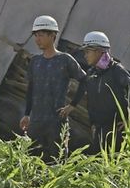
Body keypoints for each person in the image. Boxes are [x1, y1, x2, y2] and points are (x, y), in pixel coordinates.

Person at [20, 15, 86, 161]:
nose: (37, 39)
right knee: (29, 160)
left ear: (52, 35)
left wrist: (72, 105)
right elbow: (31, 89)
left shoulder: (65, 60)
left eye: (41, 35)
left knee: (57, 160)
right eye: (36, 36)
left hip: (56, 122)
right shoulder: (35, 62)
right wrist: (26, 114)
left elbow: (84, 80)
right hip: (36, 120)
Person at [63, 31, 130, 152]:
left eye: (87, 52)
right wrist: (92, 122)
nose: (85, 56)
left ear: (99, 51)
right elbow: (87, 94)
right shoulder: (91, 73)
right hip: (99, 129)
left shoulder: (117, 70)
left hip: (117, 129)